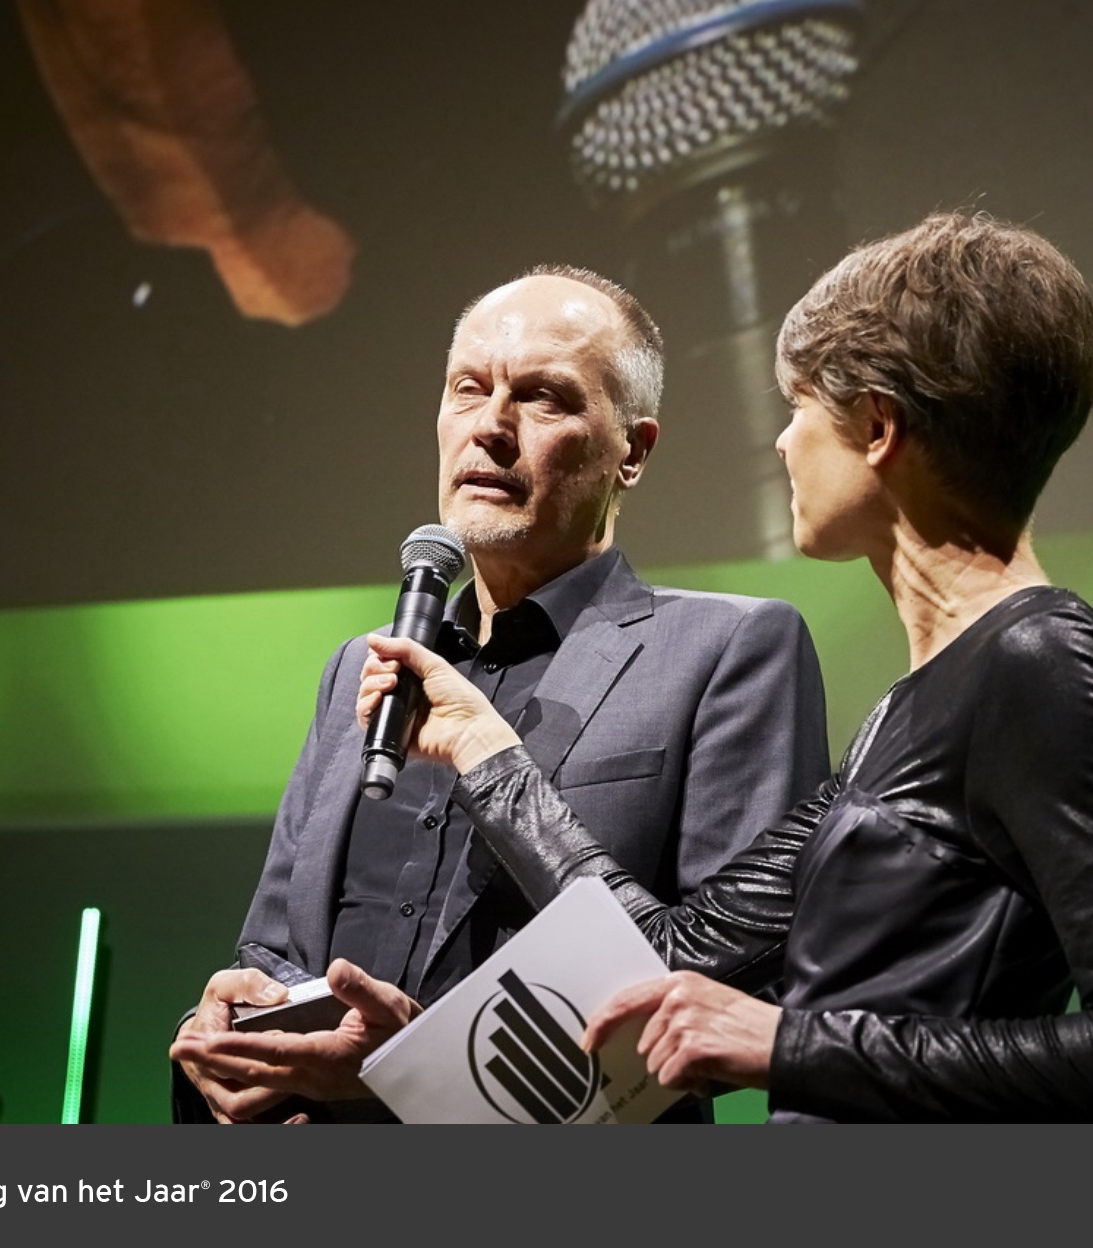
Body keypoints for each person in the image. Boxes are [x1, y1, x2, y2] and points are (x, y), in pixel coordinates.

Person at [344, 210, 1093, 1122]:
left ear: (877, 426)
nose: (781, 443)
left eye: (799, 407)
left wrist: (786, 1044)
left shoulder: (1037, 658)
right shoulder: (913, 709)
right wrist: (489, 757)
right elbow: (672, 958)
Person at [168, 264, 832, 1124]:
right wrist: (229, 1032)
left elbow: (730, 993)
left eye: (544, 398)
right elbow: (273, 947)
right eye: (468, 390)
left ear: (632, 452)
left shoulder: (727, 648)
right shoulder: (360, 667)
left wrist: (411, 1072)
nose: (489, 426)